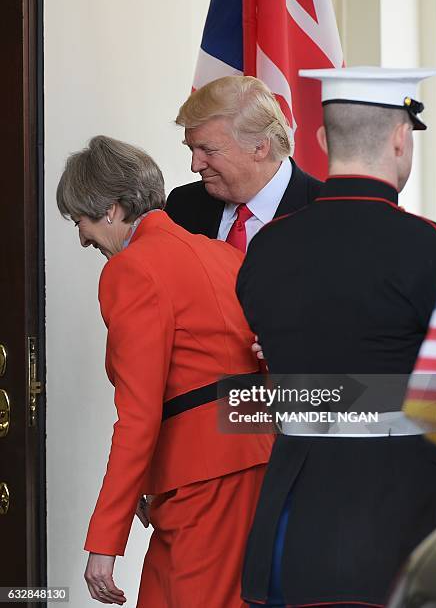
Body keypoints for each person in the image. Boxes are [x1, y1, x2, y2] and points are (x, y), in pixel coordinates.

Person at [236, 68, 436, 607]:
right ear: (402, 138)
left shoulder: (266, 249)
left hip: (291, 528)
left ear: (323, 140)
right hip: (405, 534)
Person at [56, 135, 273, 607]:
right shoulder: (223, 255)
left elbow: (139, 413)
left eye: (82, 220)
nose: (82, 236)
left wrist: (104, 544)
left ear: (111, 208)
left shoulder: (131, 270)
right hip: (244, 460)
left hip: (205, 481)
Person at [165, 75, 323, 250]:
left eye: (208, 150)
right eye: (192, 149)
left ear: (260, 147)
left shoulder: (331, 211)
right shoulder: (183, 205)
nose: (195, 166)